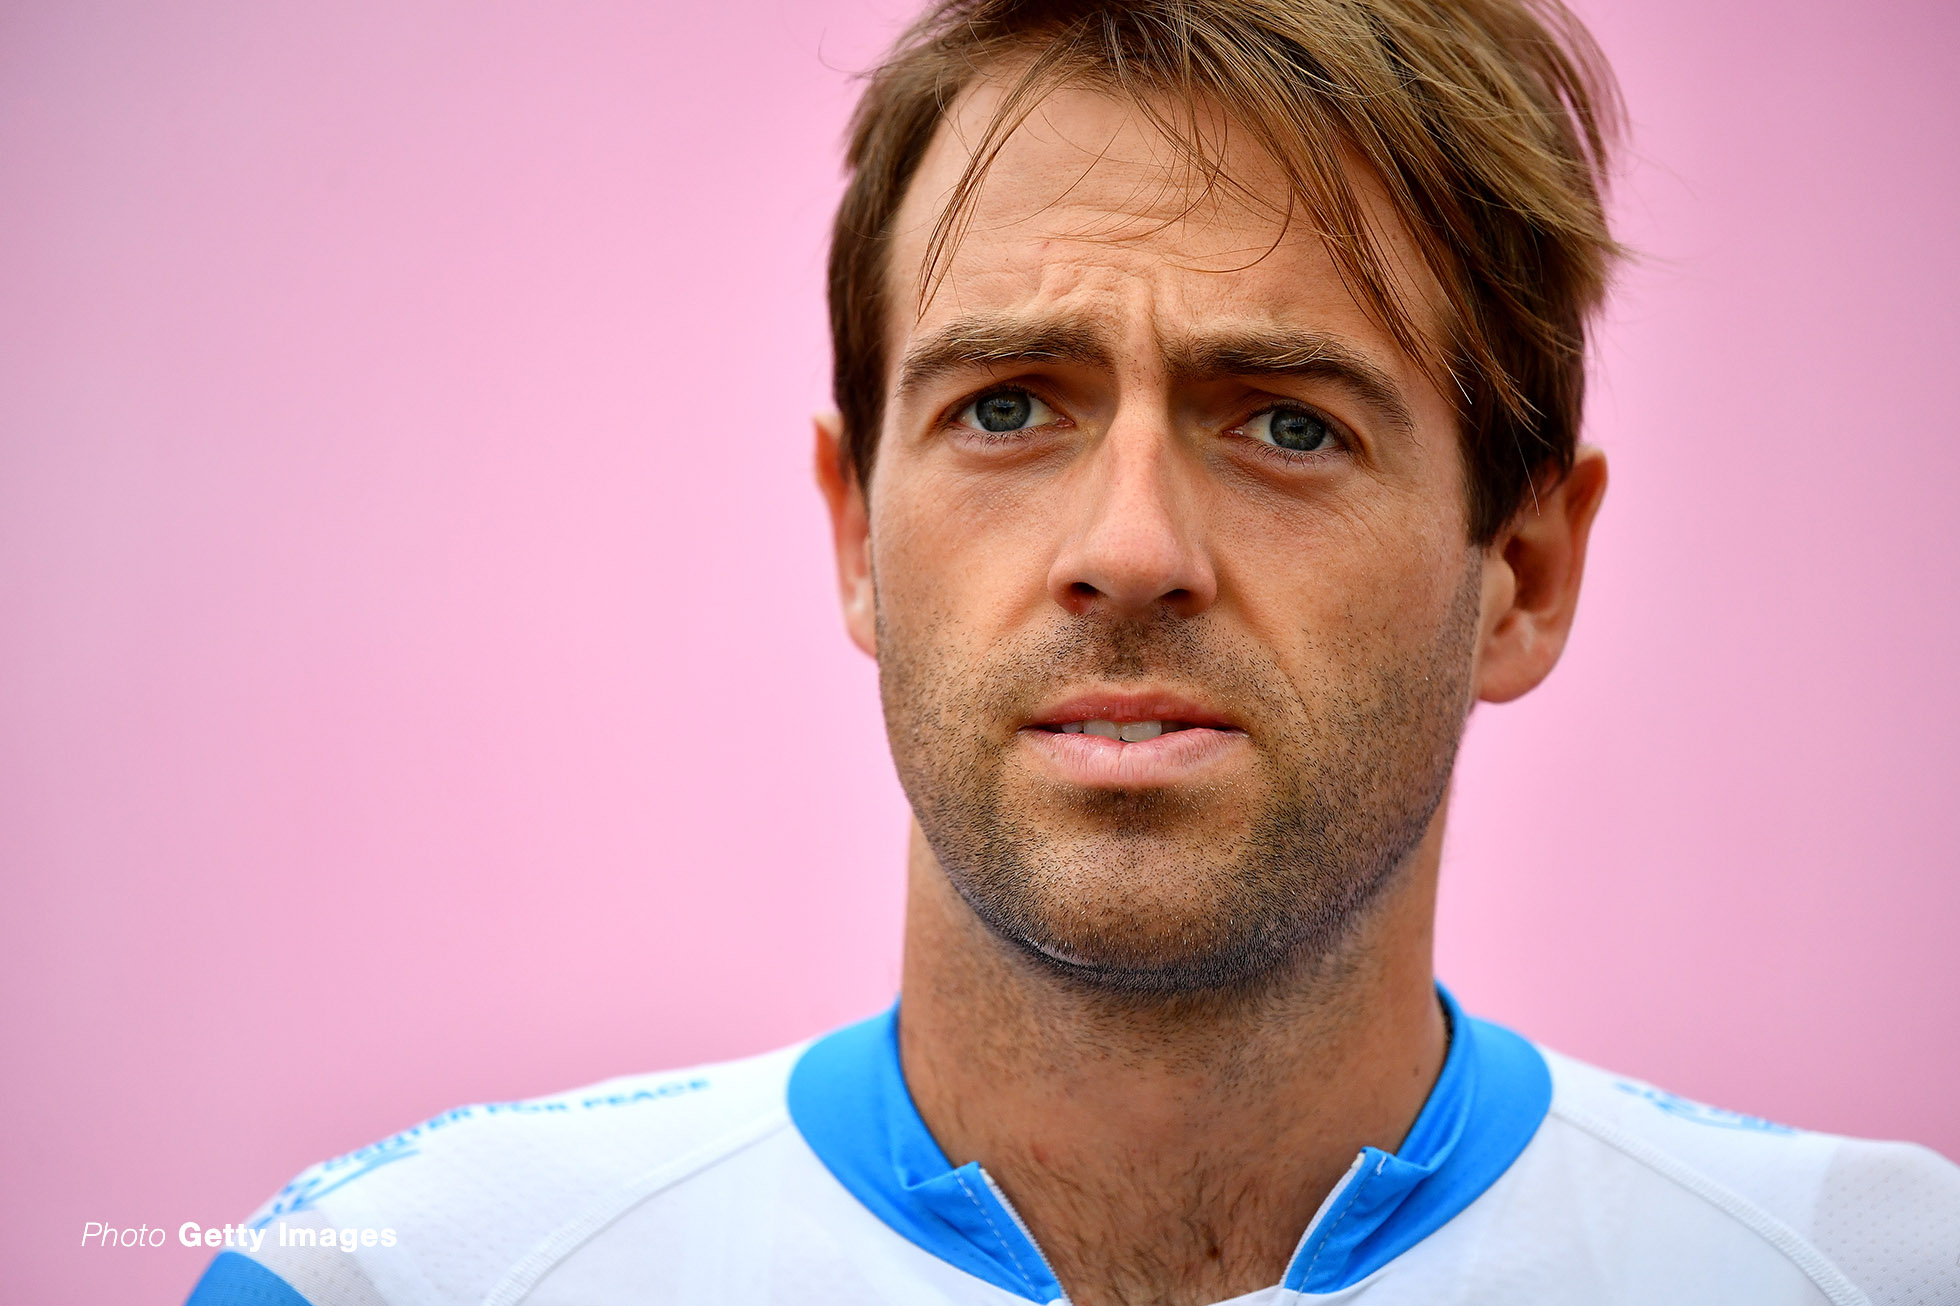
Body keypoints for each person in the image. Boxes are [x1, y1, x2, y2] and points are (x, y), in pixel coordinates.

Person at [184, 1, 1960, 1303]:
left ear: (1525, 570)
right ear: (859, 534)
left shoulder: (1874, 1275)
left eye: (1285, 424)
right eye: (1012, 404)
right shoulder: (398, 1283)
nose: (1128, 550)